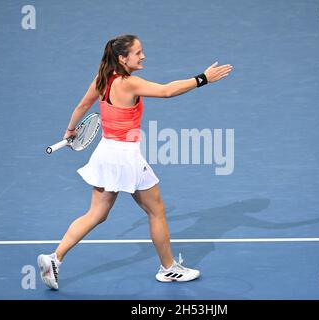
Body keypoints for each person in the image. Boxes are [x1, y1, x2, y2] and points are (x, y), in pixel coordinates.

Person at [37, 34, 232, 290]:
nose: (143, 56)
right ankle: (168, 268)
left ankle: (55, 258)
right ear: (122, 58)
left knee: (96, 213)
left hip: (105, 153)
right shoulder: (129, 83)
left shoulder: (102, 79)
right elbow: (167, 91)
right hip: (126, 158)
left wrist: (70, 130)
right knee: (156, 211)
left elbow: (82, 105)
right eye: (138, 52)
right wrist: (203, 78)